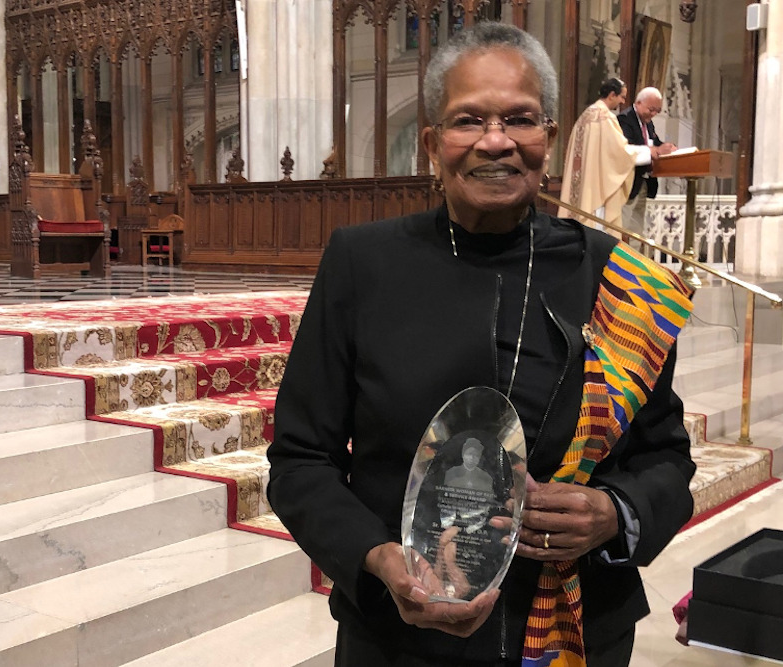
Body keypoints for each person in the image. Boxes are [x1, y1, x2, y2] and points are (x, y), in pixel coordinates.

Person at [268, 22, 696, 667]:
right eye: (468, 120)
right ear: (432, 142)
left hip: (579, 622)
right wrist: (377, 557)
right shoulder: (364, 264)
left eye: (520, 119)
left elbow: (666, 458)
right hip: (400, 634)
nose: (496, 142)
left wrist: (616, 511)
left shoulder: (616, 278)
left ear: (548, 139)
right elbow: (301, 459)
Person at [559, 78, 650, 236]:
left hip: (582, 184)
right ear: (612, 95)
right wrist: (650, 152)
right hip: (596, 187)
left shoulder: (585, 116)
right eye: (621, 96)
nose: (622, 101)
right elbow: (620, 153)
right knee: (598, 232)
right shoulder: (605, 118)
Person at [618, 88, 677, 250]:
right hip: (628, 182)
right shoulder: (625, 120)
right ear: (638, 103)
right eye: (651, 109)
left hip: (644, 182)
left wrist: (667, 148)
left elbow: (655, 143)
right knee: (622, 226)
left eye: (657, 111)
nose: (653, 114)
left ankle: (634, 261)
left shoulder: (648, 124)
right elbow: (626, 149)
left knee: (637, 227)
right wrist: (656, 151)